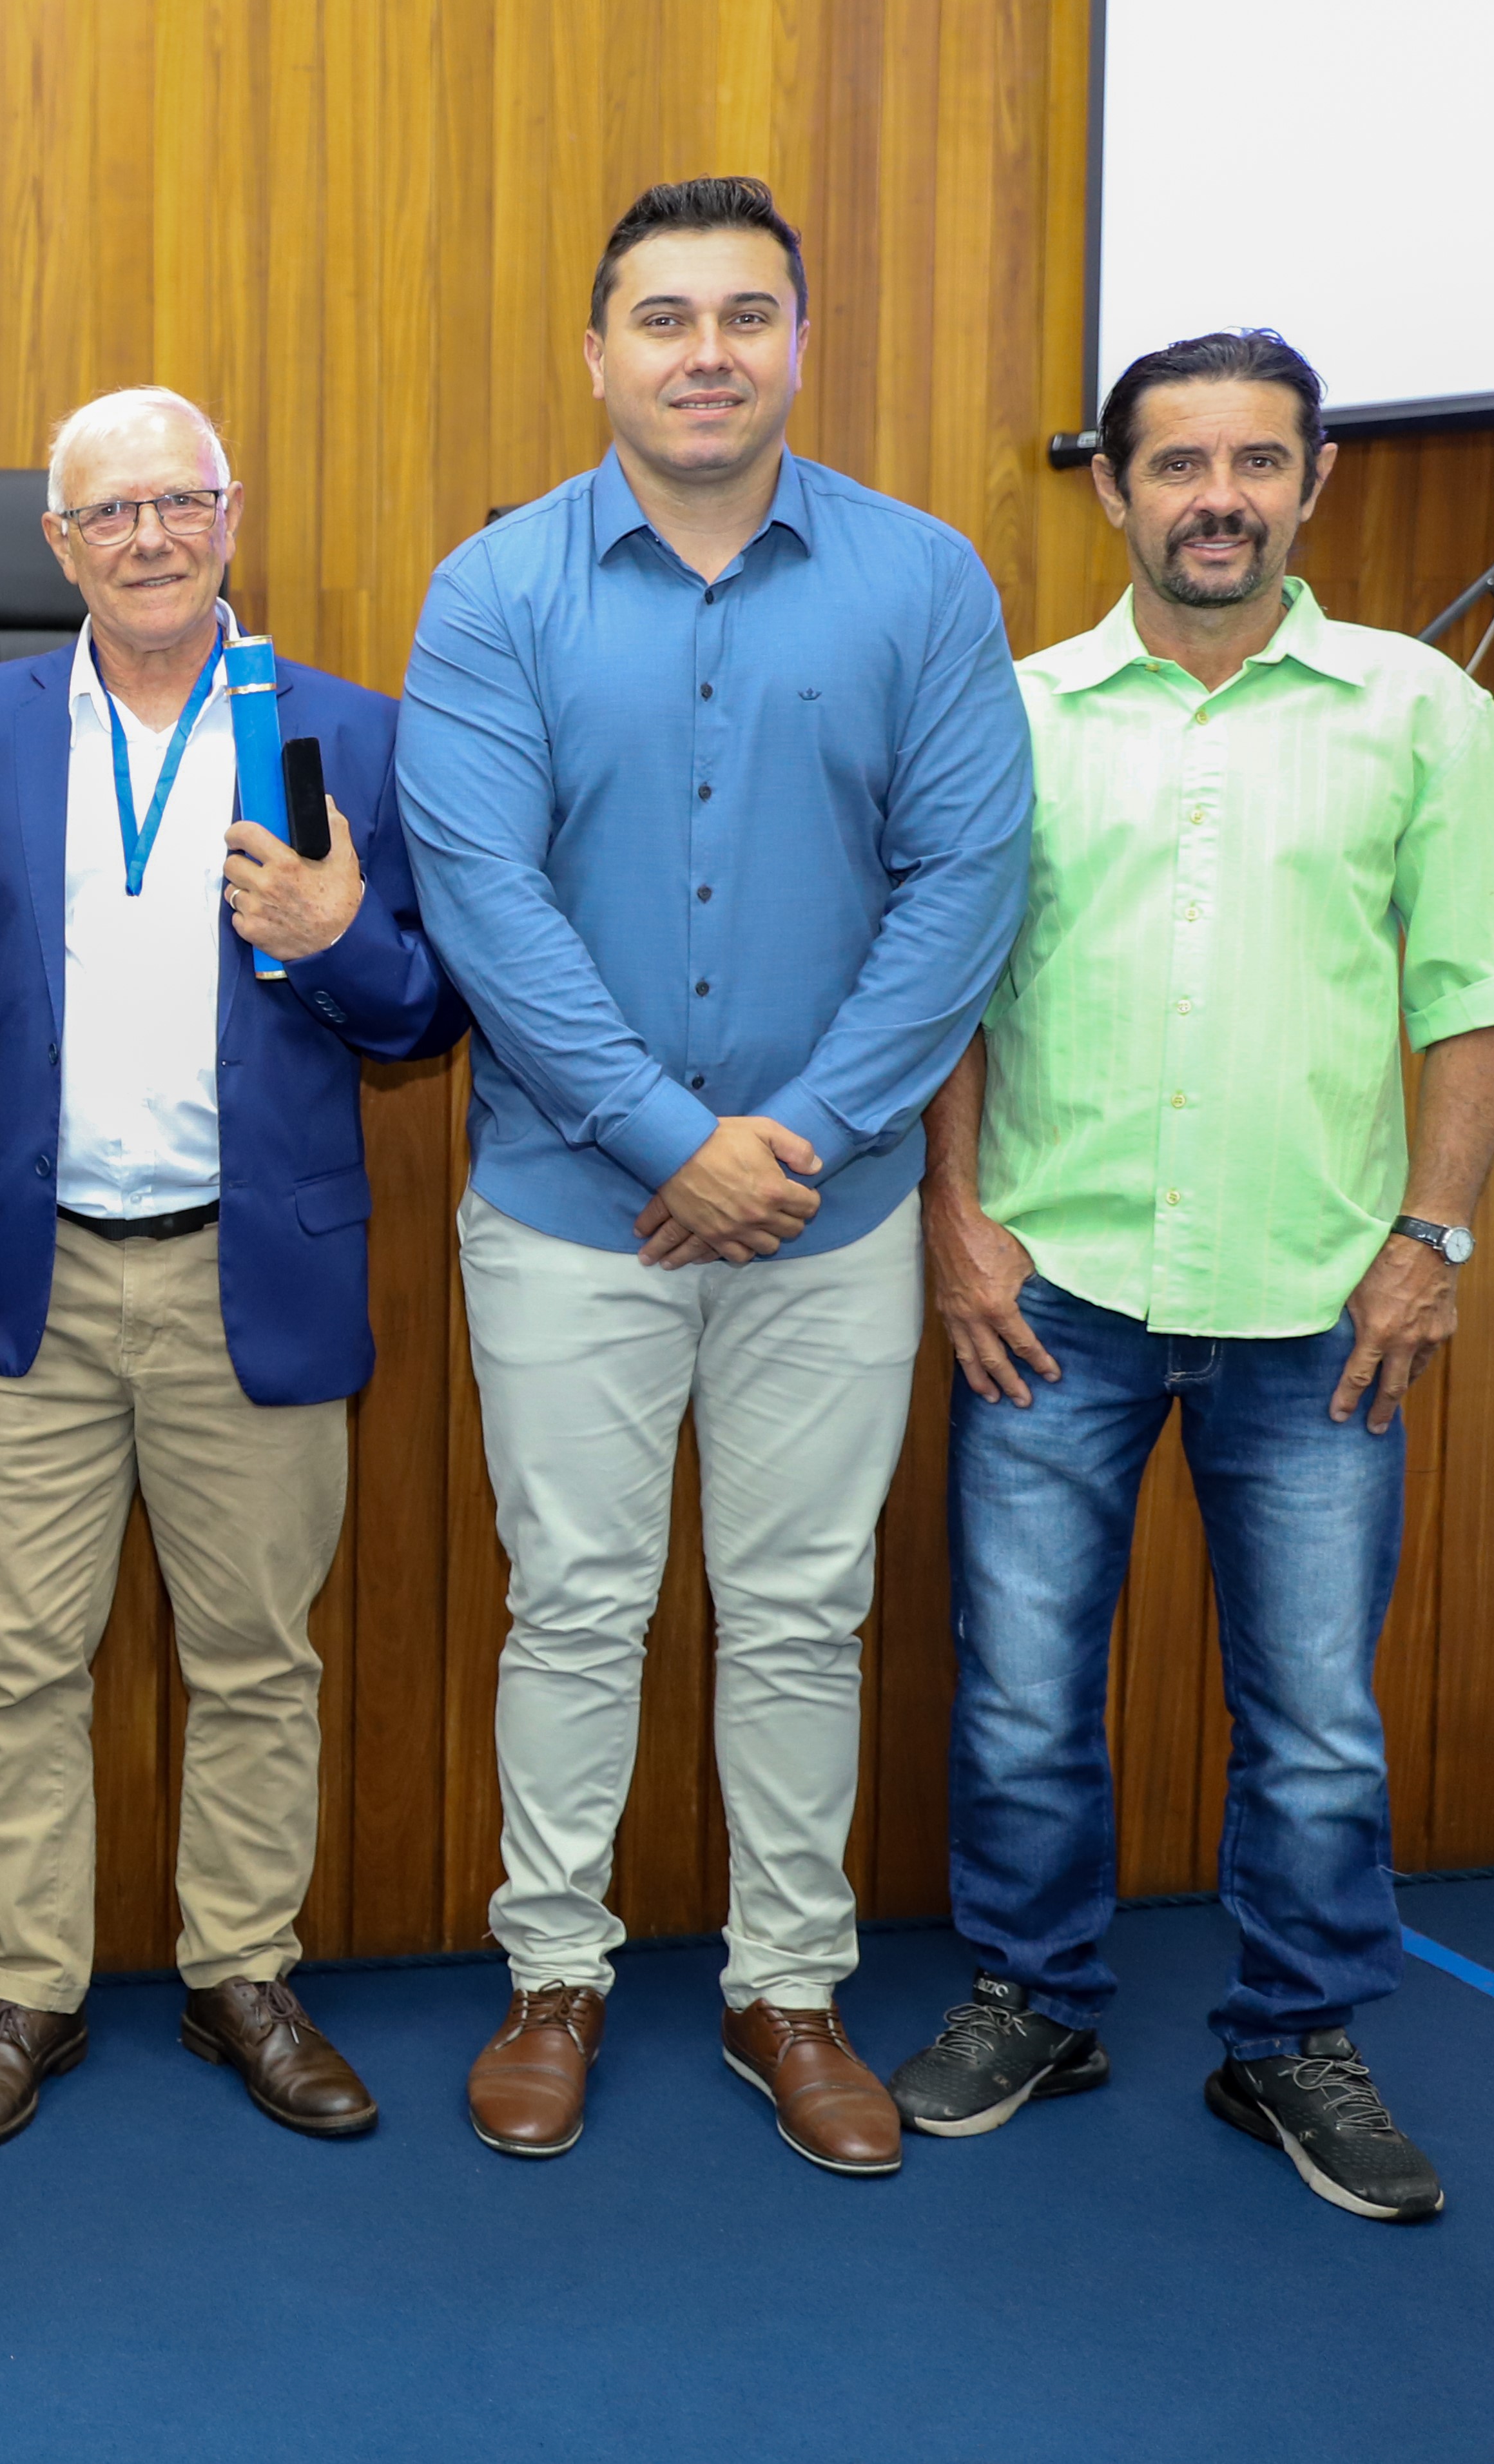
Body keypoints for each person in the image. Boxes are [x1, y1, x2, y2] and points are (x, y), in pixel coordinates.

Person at [892, 331, 1494, 2222]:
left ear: (1311, 481)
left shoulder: (1413, 706)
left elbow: (1485, 997)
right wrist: (954, 1221)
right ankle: (1036, 1996)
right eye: (1175, 464)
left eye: (1254, 463)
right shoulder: (1015, 715)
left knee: (1313, 1719)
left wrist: (1426, 1245)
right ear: (1108, 490)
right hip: (1054, 1294)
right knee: (1022, 1695)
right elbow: (944, 990)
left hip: (1316, 1306)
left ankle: (1291, 2036)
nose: (1216, 498)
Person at [398, 177, 1033, 2173]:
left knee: (795, 1610)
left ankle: (786, 1990)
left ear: (795, 344)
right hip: (569, 1211)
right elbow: (483, 903)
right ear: (594, 358)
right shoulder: (491, 593)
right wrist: (675, 1142)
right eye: (660, 320)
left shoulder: (923, 583)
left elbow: (964, 887)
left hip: (829, 1220)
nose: (701, 353)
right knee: (575, 1605)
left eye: (741, 316)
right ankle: (554, 1978)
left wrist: (802, 1138)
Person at [0, 387, 463, 2151]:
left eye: (177, 504)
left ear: (226, 518)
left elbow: (424, 1013)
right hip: (24, 1282)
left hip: (248, 1281)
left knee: (256, 1656)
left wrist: (337, 938)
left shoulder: (335, 735)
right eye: (107, 512)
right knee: (12, 1661)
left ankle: (240, 1976)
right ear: (54, 546)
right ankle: (26, 1989)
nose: (146, 536)